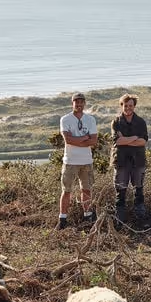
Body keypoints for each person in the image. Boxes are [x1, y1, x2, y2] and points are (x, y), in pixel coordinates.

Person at [57, 92, 97, 230]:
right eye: (76, 102)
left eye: (81, 102)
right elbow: (67, 140)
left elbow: (93, 141)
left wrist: (77, 140)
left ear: (84, 103)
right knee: (66, 190)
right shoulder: (65, 119)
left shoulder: (90, 119)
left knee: (86, 190)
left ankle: (88, 217)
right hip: (70, 161)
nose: (79, 105)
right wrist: (84, 138)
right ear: (72, 103)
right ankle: (62, 219)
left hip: (86, 161)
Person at [111, 94, 149, 225]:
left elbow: (143, 142)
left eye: (130, 106)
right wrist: (134, 137)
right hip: (121, 161)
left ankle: (140, 218)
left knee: (139, 189)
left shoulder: (141, 122)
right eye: (125, 105)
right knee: (120, 191)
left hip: (138, 161)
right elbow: (118, 141)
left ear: (134, 106)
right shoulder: (116, 122)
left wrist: (126, 140)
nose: (128, 108)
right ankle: (119, 220)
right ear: (122, 106)